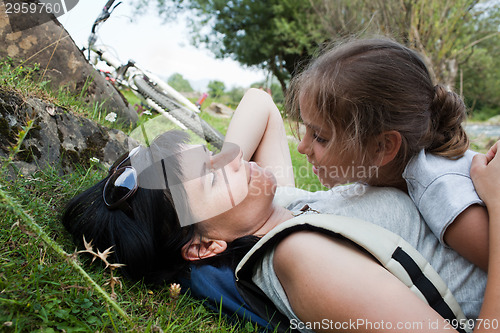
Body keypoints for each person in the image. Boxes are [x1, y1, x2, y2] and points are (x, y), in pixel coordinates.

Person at [63, 89, 494, 332]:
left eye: (213, 153)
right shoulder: (301, 259)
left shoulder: (278, 207)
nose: (233, 156)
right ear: (204, 248)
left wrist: (221, 171)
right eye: (214, 176)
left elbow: (260, 103)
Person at [286, 37, 489, 271]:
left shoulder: (440, 187)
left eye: (320, 137)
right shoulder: (389, 171)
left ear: (382, 147)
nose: (302, 147)